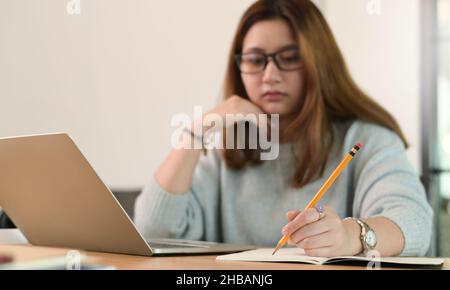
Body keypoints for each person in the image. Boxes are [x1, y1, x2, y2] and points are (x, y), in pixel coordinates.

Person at [135, 0, 432, 257]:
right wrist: (197, 131)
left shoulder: (366, 139)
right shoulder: (227, 147)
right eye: (255, 60)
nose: (270, 75)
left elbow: (414, 222)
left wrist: (349, 235)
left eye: (289, 58)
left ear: (319, 63)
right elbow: (153, 231)